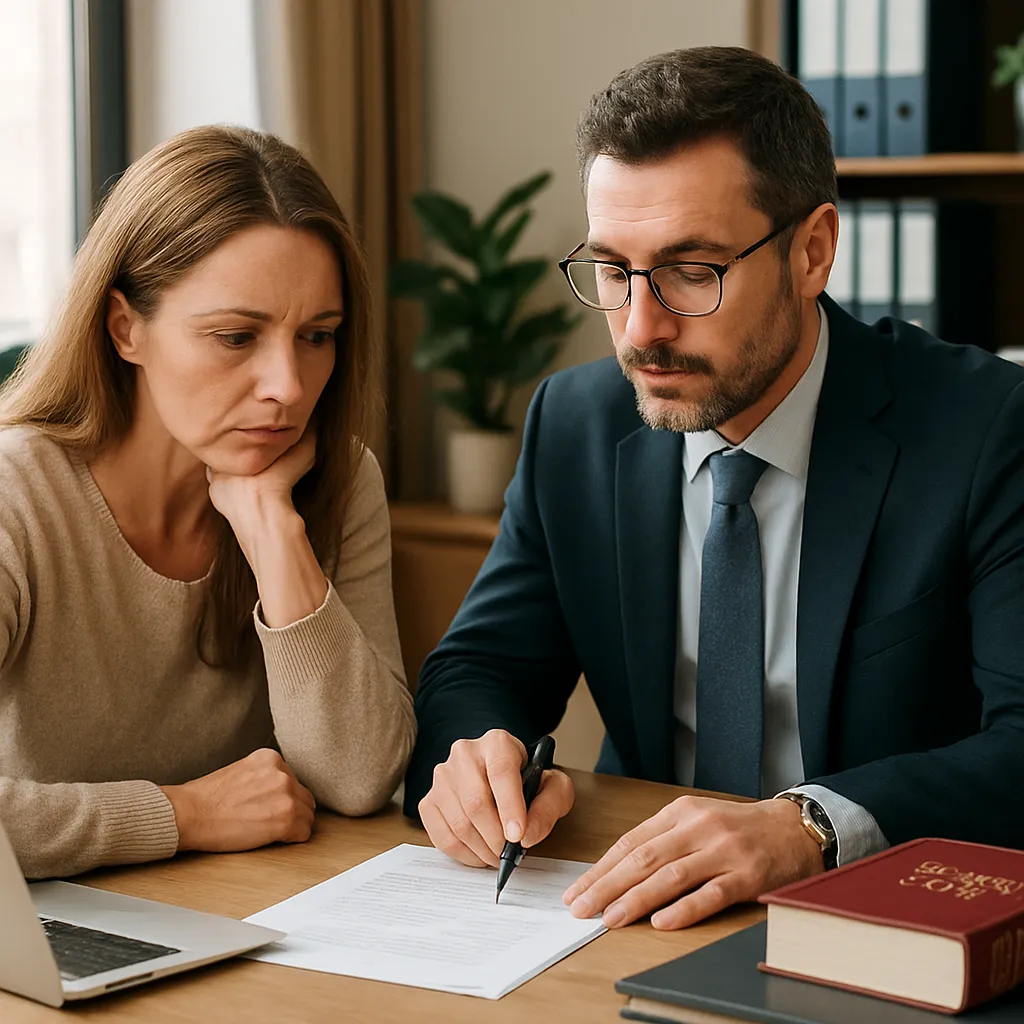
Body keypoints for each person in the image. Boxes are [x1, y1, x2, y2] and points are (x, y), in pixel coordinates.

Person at [404, 47, 1024, 931]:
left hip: (878, 917)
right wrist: (476, 756)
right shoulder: (575, 425)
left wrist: (809, 824)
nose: (640, 328)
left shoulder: (986, 427)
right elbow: (482, 667)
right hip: (634, 908)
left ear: (813, 252)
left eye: (693, 271)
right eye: (614, 271)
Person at [0, 125, 415, 879]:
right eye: (234, 337)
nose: (288, 387)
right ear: (126, 328)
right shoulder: (15, 500)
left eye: (318, 336)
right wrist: (185, 814)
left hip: (245, 928)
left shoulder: (338, 483)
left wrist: (271, 530)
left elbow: (358, 780)